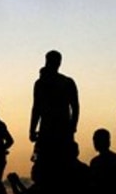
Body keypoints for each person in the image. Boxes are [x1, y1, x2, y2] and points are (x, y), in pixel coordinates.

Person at [29, 50, 80, 181]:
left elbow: (75, 106)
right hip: (49, 129)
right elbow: (36, 108)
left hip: (61, 129)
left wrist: (73, 126)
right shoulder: (41, 83)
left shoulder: (66, 82)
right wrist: (32, 129)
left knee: (61, 163)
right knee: (47, 164)